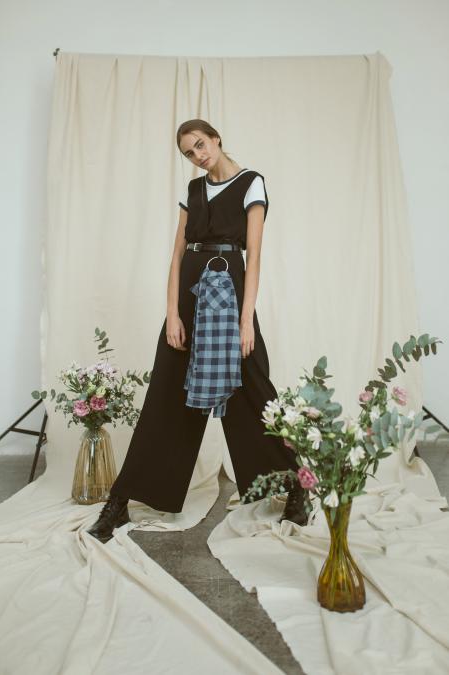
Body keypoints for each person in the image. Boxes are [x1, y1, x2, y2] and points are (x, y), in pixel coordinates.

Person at [87, 119, 306, 543]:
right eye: (189, 152)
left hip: (230, 291)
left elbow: (255, 258)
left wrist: (247, 321)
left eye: (201, 145)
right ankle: (121, 500)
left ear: (217, 138)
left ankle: (298, 482)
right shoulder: (192, 191)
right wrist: (172, 313)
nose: (198, 155)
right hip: (190, 294)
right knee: (166, 393)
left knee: (252, 389)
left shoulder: (251, 184)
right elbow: (176, 255)